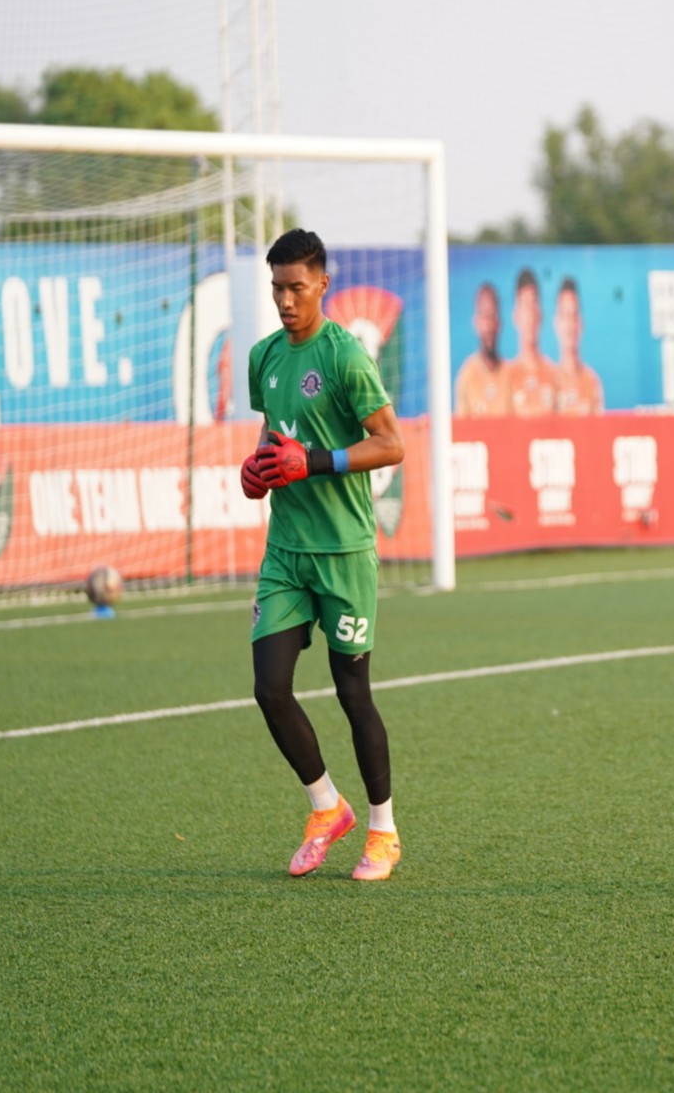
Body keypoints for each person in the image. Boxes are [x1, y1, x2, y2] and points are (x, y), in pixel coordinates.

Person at [239, 228, 407, 882]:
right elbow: (273, 433)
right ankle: (325, 807)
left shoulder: (345, 357)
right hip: (286, 553)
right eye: (277, 288)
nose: (285, 301)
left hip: (343, 553)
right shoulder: (264, 357)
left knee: (352, 693)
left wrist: (315, 462)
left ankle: (383, 831)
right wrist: (258, 469)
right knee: (269, 688)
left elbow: (390, 444)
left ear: (322, 285)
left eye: (296, 288)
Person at [505, 268, 559, 416]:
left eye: (533, 304)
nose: (529, 314)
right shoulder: (506, 377)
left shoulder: (554, 375)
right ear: (515, 315)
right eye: (524, 305)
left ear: (540, 314)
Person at [453, 281, 510, 416]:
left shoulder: (511, 374)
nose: (489, 325)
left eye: (492, 316)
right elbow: (462, 424)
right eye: (484, 317)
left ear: (499, 323)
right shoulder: (467, 376)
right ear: (476, 322)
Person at [551, 277, 604, 416]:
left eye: (574, 315)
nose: (570, 325)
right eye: (565, 315)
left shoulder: (591, 381)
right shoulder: (549, 380)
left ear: (581, 323)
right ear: (556, 323)